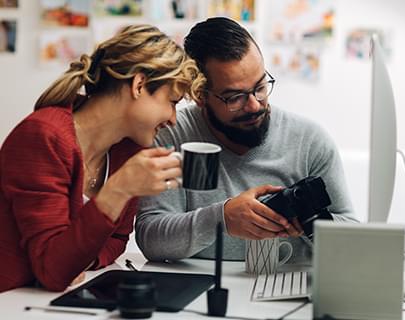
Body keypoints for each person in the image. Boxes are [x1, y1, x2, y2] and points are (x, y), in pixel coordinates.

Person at [0, 24, 204, 292]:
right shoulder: (43, 137)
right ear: (139, 85)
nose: (173, 119)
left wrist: (78, 260)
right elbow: (53, 272)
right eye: (173, 102)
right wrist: (119, 189)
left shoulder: (127, 151)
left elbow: (117, 239)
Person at [135, 17, 357, 264]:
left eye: (260, 86)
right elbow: (151, 239)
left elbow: (350, 233)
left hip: (288, 287)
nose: (254, 105)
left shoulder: (309, 141)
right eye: (235, 97)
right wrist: (222, 218)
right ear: (200, 95)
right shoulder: (173, 135)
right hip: (201, 289)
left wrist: (309, 221)